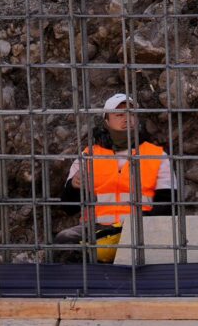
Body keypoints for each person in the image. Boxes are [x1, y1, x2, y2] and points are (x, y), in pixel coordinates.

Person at [55, 93, 176, 261]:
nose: (127, 119)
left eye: (131, 114)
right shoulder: (88, 156)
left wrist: (132, 227)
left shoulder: (156, 155)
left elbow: (168, 203)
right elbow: (68, 208)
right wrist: (74, 187)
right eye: (119, 115)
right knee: (64, 241)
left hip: (142, 228)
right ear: (106, 121)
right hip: (98, 229)